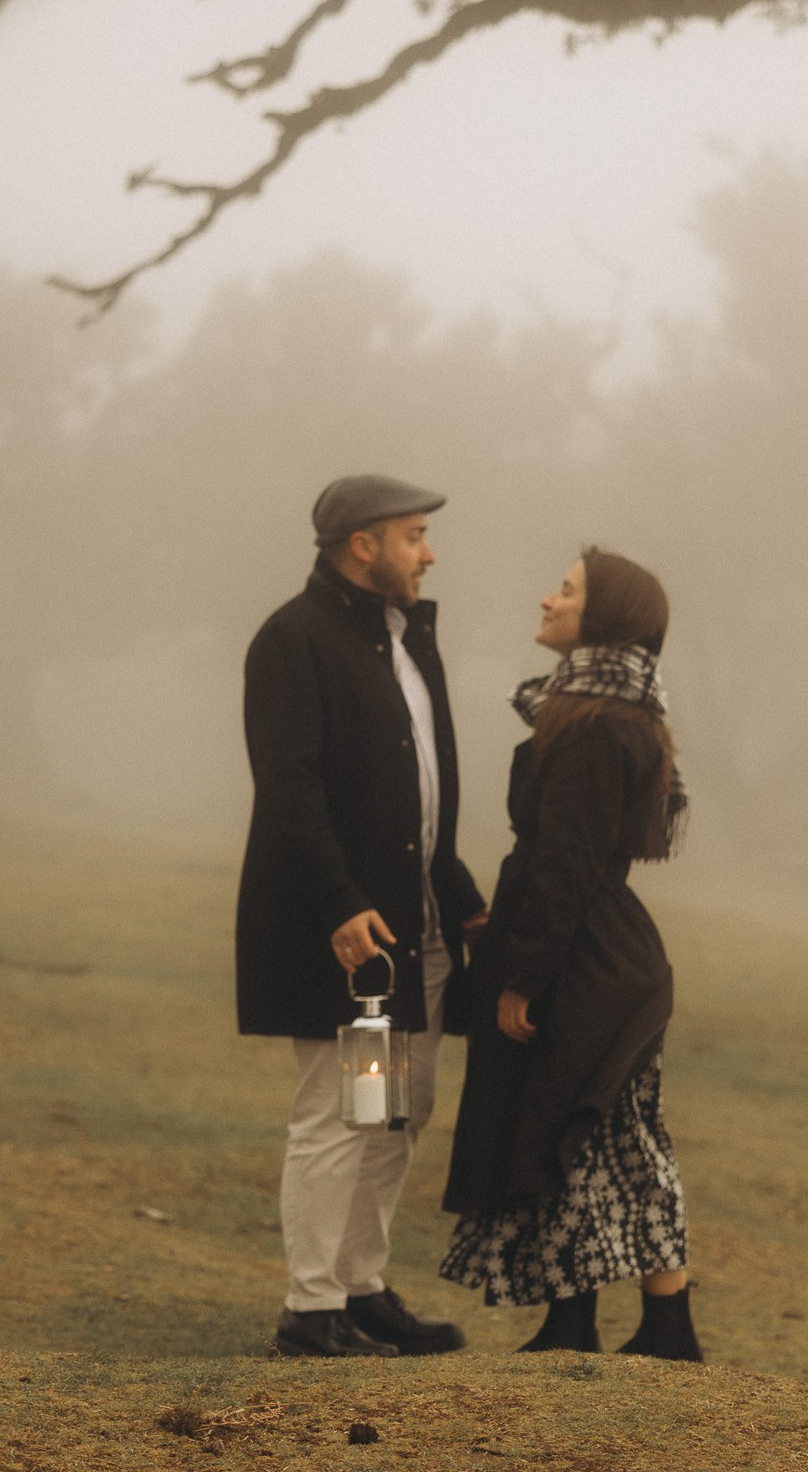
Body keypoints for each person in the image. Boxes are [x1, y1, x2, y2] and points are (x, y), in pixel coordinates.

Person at [238, 475, 489, 1358]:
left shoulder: (403, 641)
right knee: (347, 1111)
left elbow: (422, 794)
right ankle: (311, 1311)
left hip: (416, 929)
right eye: (414, 535)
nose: (428, 552)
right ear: (362, 545)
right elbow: (290, 788)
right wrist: (341, 904)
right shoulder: (293, 641)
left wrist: (457, 898)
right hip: (356, 940)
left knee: (396, 1111)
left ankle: (358, 1286)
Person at [439, 548, 702, 1359]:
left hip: (588, 960)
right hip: (593, 948)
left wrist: (522, 980)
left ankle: (662, 1328)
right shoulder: (592, 714)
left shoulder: (595, 729)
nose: (548, 599)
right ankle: (578, 1319)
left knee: (604, 1133)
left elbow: (568, 864)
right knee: (579, 1134)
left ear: (605, 619)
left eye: (568, 591)